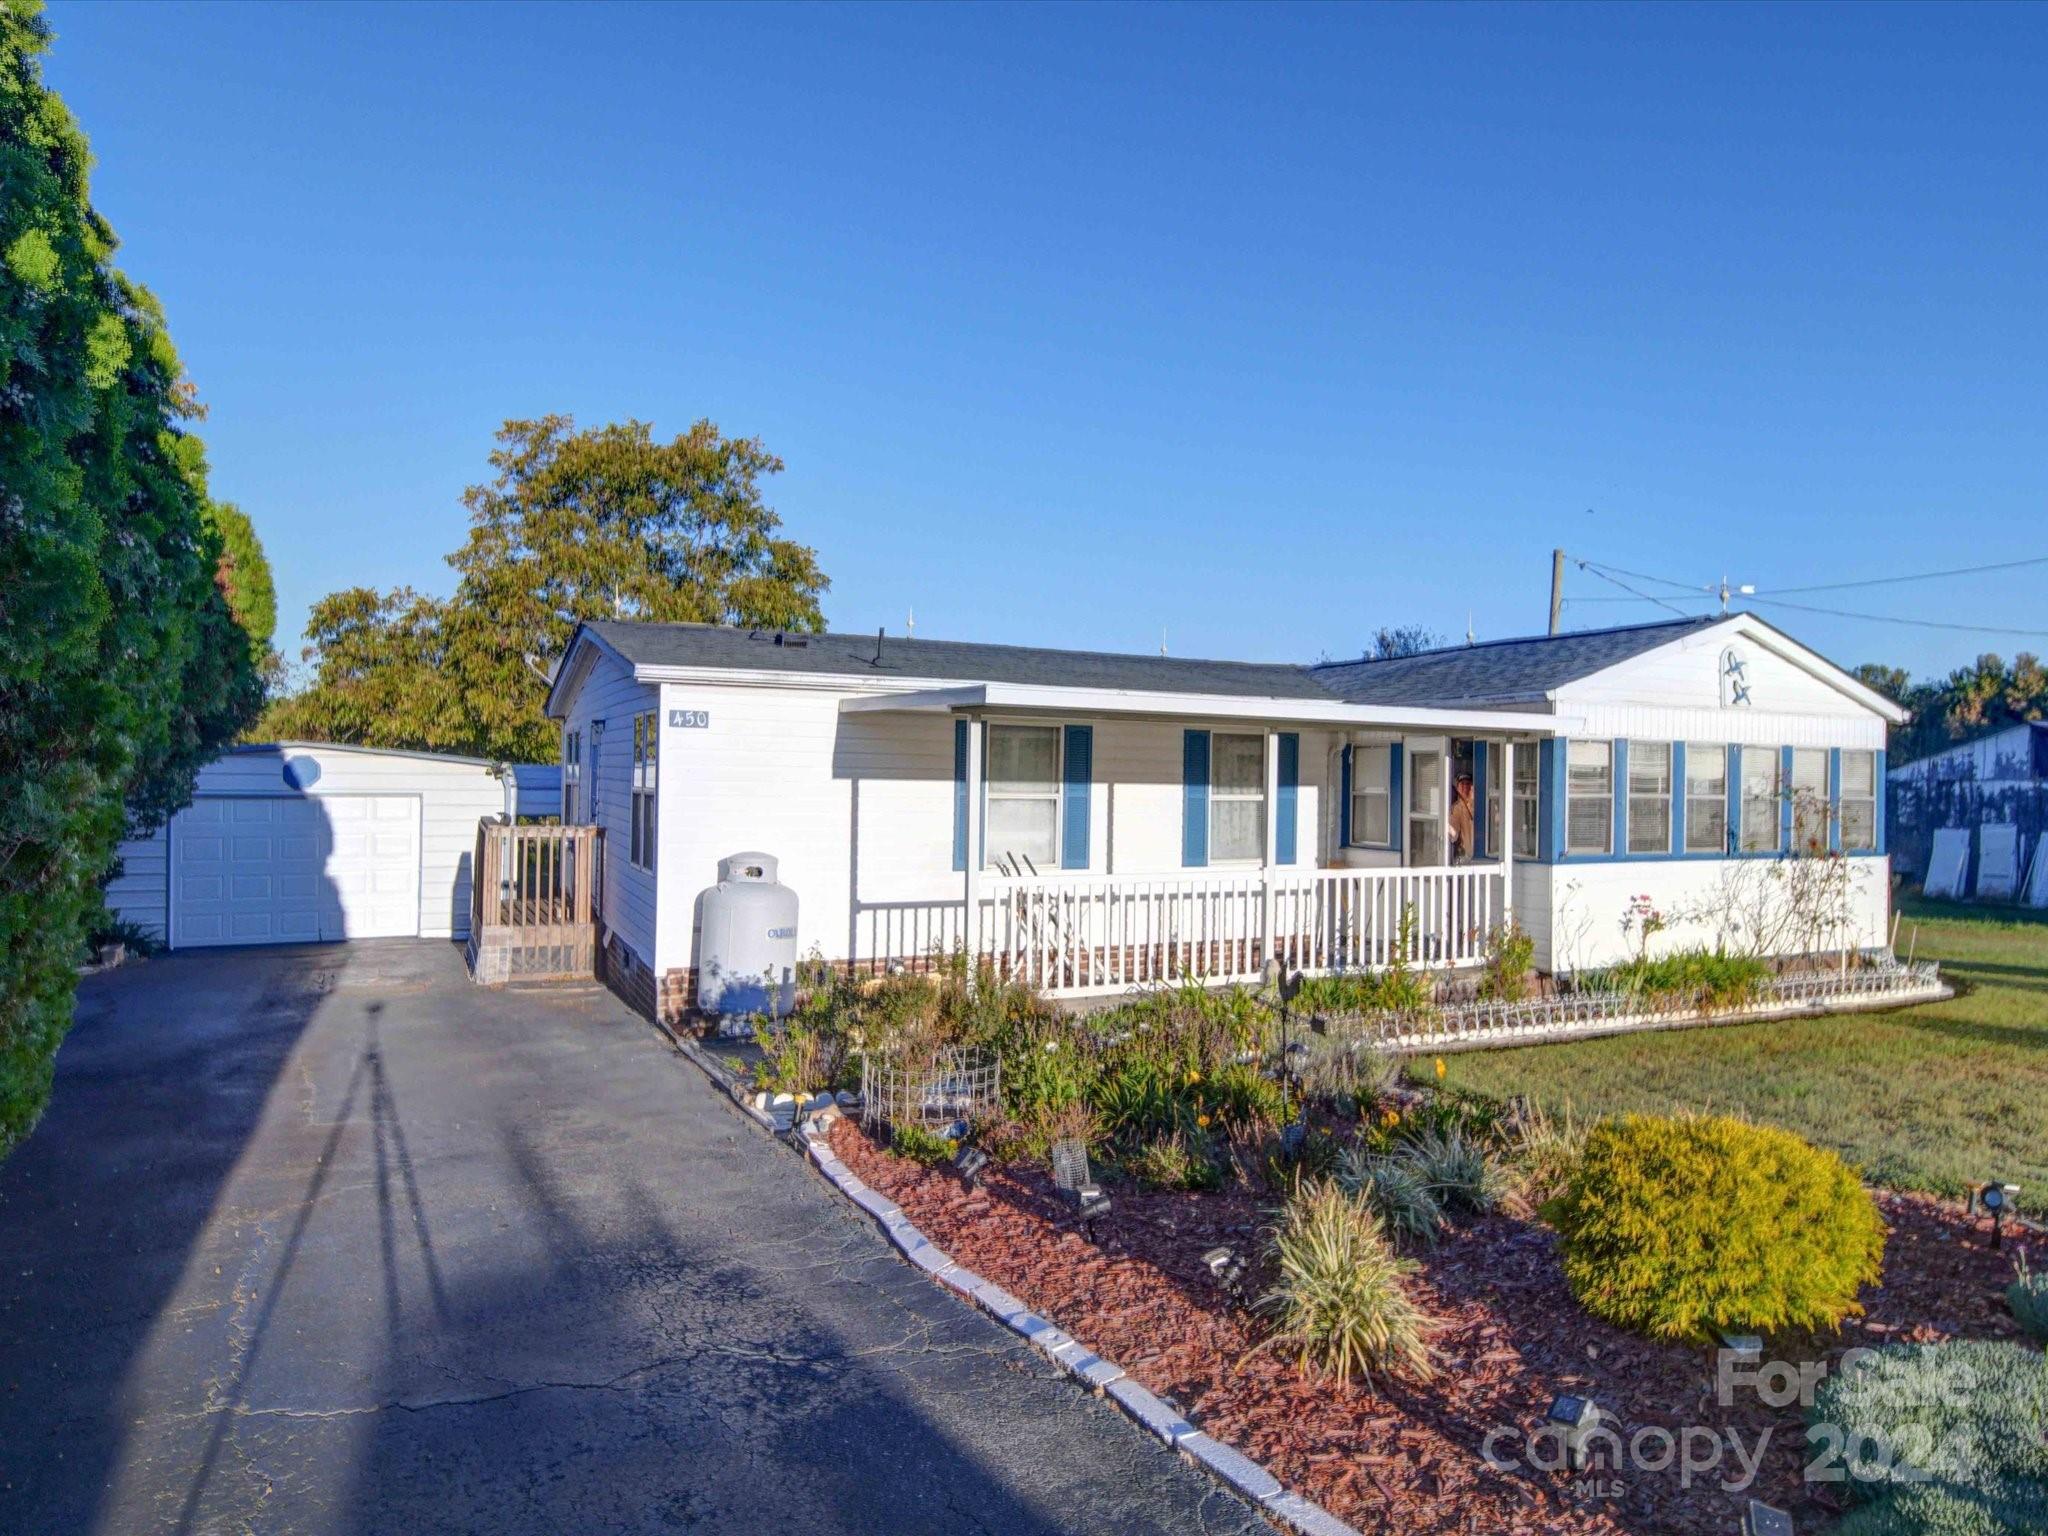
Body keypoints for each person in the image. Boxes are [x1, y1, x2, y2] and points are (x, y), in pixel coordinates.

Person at [1448, 771, 1477, 863]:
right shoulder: (1456, 808)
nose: (1465, 787)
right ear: (1457, 787)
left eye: (1468, 783)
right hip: (1466, 857)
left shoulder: (1479, 804)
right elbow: (1454, 834)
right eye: (1462, 784)